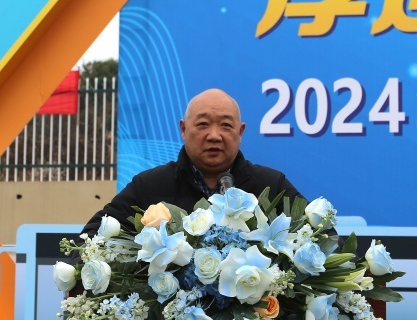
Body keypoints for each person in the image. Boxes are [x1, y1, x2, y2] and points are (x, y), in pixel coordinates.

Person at [81, 88, 300, 236]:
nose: (214, 135)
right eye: (203, 124)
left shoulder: (272, 186)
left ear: (240, 132)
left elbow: (316, 235)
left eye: (226, 125)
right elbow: (93, 236)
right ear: (183, 129)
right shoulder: (149, 186)